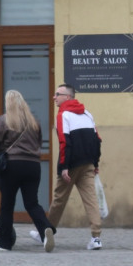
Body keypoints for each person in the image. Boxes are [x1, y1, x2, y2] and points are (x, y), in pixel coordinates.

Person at [0, 90, 56, 252]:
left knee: (7, 205)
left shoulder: (3, 121)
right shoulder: (34, 122)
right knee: (32, 203)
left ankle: (5, 242)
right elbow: (39, 143)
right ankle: (45, 231)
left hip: (12, 166)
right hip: (33, 166)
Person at [34, 83, 103, 250]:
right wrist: (95, 163)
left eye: (57, 94)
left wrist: (64, 167)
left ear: (68, 97)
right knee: (91, 200)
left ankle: (46, 231)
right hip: (87, 163)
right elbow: (97, 140)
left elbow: (65, 143)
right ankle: (96, 238)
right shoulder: (87, 113)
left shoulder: (63, 114)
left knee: (59, 198)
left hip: (71, 165)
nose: (54, 97)